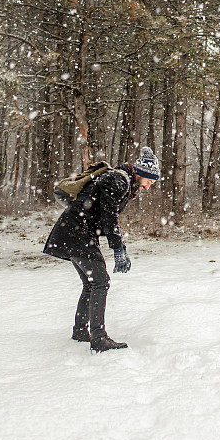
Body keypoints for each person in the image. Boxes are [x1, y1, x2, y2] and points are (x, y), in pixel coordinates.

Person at [43, 147, 160, 353]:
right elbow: (109, 216)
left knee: (91, 284)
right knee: (100, 282)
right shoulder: (118, 180)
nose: (148, 187)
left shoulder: (121, 180)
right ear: (141, 173)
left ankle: (81, 331)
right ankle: (98, 338)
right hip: (78, 234)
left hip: (75, 232)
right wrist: (119, 249)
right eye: (150, 182)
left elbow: (103, 214)